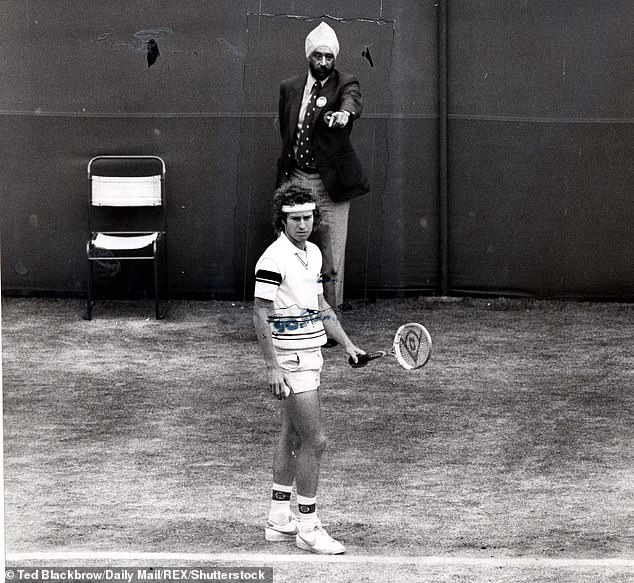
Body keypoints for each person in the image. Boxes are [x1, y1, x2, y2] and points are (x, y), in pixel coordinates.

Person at [253, 183, 365, 555]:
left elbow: (319, 304)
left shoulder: (313, 253)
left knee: (291, 433)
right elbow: (259, 312)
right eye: (294, 218)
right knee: (316, 440)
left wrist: (347, 345)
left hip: (311, 354)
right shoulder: (272, 259)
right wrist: (272, 367)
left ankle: (278, 518)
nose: (302, 224)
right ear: (281, 220)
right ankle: (308, 527)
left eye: (307, 217)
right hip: (290, 360)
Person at [276, 21, 370, 331]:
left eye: (329, 57)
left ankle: (331, 328)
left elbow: (352, 102)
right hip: (296, 181)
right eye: (318, 56)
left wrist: (345, 114)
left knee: (332, 261)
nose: (323, 63)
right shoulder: (289, 88)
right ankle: (291, 317)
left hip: (331, 186)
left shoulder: (346, 83)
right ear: (308, 55)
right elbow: (286, 133)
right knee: (288, 253)